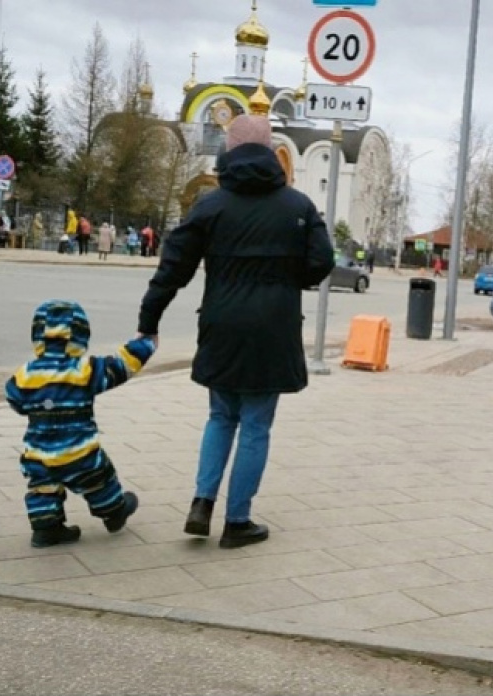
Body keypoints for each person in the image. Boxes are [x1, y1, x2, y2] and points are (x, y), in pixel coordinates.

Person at [138, 115, 334, 549]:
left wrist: (148, 322)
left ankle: (201, 503)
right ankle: (237, 520)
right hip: (273, 328)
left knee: (220, 415)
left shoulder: (210, 206)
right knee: (256, 425)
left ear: (229, 150)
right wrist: (288, 280)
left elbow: (173, 269)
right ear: (270, 151)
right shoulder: (298, 206)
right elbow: (322, 260)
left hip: (221, 323)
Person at [4, 300, 155, 548]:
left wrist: (37, 405)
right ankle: (114, 512)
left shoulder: (26, 374)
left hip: (39, 453)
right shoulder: (84, 370)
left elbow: (14, 398)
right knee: (99, 479)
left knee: (42, 487)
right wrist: (145, 344)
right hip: (79, 451)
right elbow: (120, 366)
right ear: (80, 335)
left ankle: (46, 528)